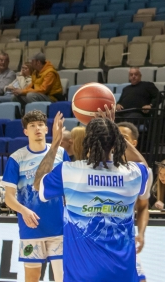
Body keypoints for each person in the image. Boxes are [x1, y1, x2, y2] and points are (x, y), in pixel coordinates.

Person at [34, 111, 152, 282]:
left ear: (87, 141)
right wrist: (114, 132)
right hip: (123, 274)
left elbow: (38, 184)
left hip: (82, 276)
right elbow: (145, 166)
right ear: (116, 141)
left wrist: (54, 145)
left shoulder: (69, 171)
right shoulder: (134, 173)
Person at [3, 110, 68, 282]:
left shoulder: (61, 153)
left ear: (46, 129)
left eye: (40, 125)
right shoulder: (17, 158)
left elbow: (70, 188)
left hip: (59, 225)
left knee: (63, 277)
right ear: (26, 131)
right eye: (32, 126)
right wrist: (23, 210)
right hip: (31, 226)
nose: (37, 128)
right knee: (32, 277)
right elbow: (8, 198)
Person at [116, 121, 151, 282]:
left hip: (124, 239)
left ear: (134, 143)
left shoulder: (142, 172)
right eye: (115, 136)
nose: (118, 140)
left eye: (123, 137)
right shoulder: (101, 165)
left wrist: (141, 234)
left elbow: (143, 207)